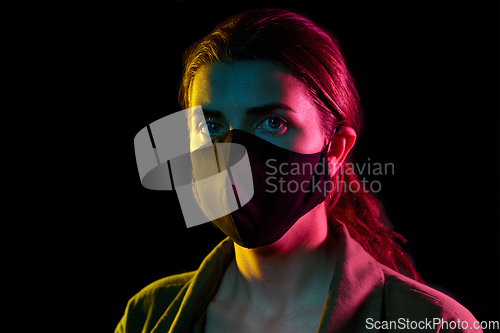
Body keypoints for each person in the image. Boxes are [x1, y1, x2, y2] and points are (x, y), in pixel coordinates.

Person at [116, 8, 482, 332]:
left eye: (272, 123)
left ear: (335, 149)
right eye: (211, 127)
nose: (232, 154)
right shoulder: (148, 316)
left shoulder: (435, 325)